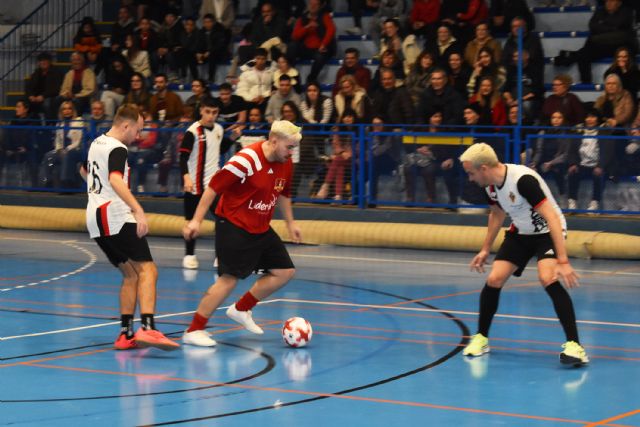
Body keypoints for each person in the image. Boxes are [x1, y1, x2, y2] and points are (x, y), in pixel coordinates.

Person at [459, 142, 589, 366]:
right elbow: (497, 214)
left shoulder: (522, 181)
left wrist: (563, 260)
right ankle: (481, 337)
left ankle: (575, 346)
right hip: (521, 232)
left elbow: (552, 217)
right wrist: (485, 249)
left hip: (548, 232)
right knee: (494, 278)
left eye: (471, 173)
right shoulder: (491, 185)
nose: (470, 178)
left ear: (483, 169)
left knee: (547, 277)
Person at [181, 120, 302, 347]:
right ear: (273, 140)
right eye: (289, 147)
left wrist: (291, 223)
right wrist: (196, 220)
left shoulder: (285, 162)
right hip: (234, 224)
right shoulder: (246, 159)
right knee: (228, 280)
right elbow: (213, 188)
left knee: (284, 271)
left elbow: (283, 193)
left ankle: (241, 309)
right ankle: (193, 330)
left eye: (294, 147)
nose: (291, 152)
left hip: (261, 226)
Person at [84, 103, 179, 351]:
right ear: (126, 125)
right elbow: (115, 179)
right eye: (137, 130)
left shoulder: (97, 142)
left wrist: (97, 191)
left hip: (95, 218)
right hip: (114, 215)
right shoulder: (117, 148)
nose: (138, 136)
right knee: (148, 270)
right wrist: (137, 209)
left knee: (131, 274)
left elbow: (85, 170)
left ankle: (125, 334)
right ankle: (148, 328)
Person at [180, 97, 234, 269]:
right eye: (208, 112)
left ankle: (220, 255)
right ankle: (189, 255)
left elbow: (218, 149)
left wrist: (232, 137)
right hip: (194, 186)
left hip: (213, 186)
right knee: (191, 222)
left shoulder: (219, 129)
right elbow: (183, 157)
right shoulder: (192, 132)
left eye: (215, 112)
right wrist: (186, 177)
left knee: (223, 219)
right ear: (201, 110)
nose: (211, 116)